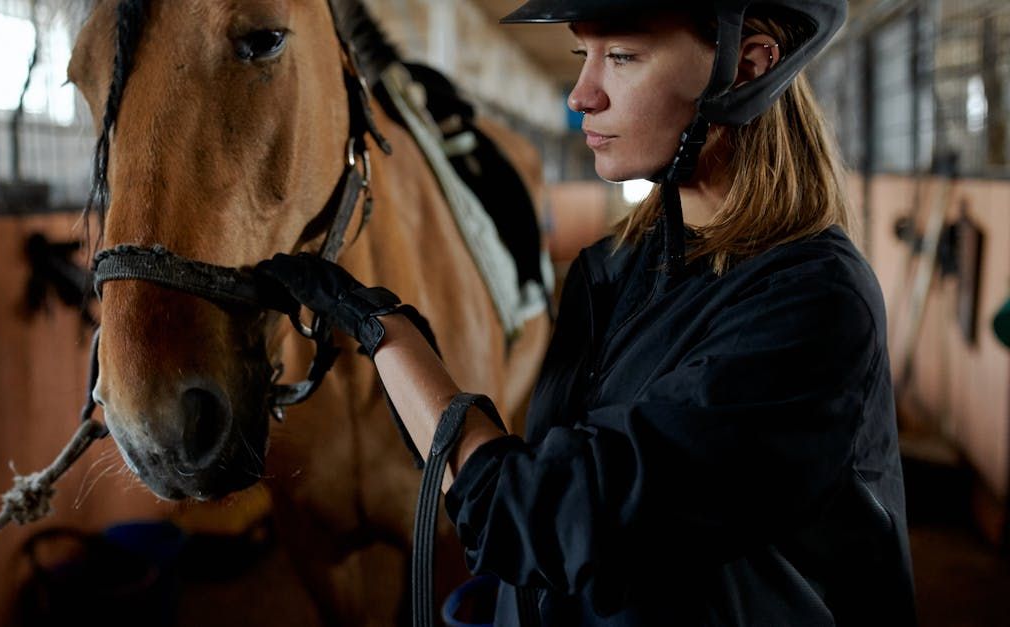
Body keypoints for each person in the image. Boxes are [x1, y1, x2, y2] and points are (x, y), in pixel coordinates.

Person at [256, 0, 917, 624]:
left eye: (623, 56)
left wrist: (389, 335)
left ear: (749, 66)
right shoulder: (612, 271)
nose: (581, 95)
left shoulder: (815, 302)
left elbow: (552, 514)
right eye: (583, 53)